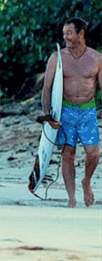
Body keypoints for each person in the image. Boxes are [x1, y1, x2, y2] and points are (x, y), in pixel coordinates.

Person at [41, 17, 101, 208]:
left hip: (88, 111)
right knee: (68, 152)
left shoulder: (96, 58)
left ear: (80, 33)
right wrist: (48, 114)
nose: (64, 36)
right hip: (65, 111)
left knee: (93, 153)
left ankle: (86, 182)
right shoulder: (57, 57)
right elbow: (47, 88)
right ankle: (71, 196)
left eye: (69, 33)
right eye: (64, 33)